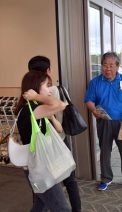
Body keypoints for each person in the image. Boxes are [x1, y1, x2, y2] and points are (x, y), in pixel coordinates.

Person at [28, 56, 82, 212]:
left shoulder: (31, 96)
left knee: (42, 186)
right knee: (69, 182)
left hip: (42, 147)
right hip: (60, 142)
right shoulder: (57, 90)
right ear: (48, 71)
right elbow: (64, 107)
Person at [15, 71, 70, 211]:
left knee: (41, 205)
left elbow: (59, 128)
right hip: (39, 168)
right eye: (47, 85)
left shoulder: (34, 108)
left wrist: (49, 113)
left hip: (39, 166)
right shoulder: (30, 109)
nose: (50, 90)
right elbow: (61, 105)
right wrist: (38, 96)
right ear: (35, 87)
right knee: (61, 208)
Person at [84, 51, 122, 191]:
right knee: (105, 151)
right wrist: (94, 110)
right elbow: (89, 100)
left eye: (111, 65)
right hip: (104, 121)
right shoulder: (95, 82)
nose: (108, 69)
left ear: (117, 66)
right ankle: (106, 178)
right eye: (105, 65)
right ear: (101, 66)